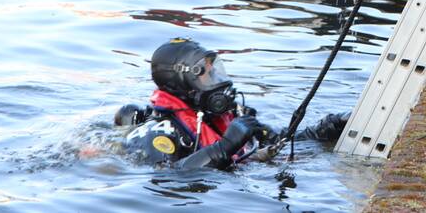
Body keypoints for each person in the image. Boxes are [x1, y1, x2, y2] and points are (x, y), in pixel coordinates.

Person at [115, 37, 349, 169]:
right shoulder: (159, 132)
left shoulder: (223, 116)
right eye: (207, 75)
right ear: (183, 81)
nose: (217, 81)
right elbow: (169, 175)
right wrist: (225, 147)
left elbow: (279, 142)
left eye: (215, 70)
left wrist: (325, 129)